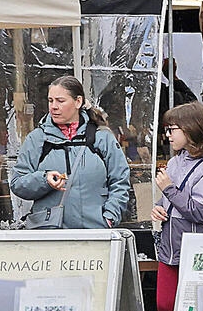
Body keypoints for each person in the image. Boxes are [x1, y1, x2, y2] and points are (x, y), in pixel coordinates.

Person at [10, 75, 132, 229]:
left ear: (78, 102)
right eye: (50, 100)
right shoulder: (37, 139)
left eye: (60, 101)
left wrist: (109, 217)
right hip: (50, 235)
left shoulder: (102, 137)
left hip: (94, 232)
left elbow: (120, 181)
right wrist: (43, 179)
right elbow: (17, 183)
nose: (53, 106)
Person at [150, 102, 203, 311]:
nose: (168, 135)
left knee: (193, 310)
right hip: (170, 246)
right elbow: (166, 202)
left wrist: (169, 189)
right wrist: (158, 209)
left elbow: (199, 212)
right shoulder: (173, 162)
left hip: (197, 249)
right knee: (164, 305)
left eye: (173, 129)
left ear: (191, 129)